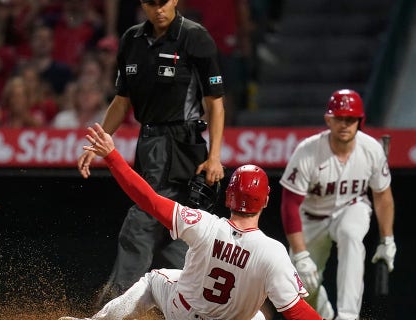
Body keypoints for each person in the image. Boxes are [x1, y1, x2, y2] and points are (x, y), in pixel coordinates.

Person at [59, 124, 322, 320]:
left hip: (184, 313)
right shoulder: (273, 252)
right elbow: (297, 312)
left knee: (154, 279)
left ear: (229, 198)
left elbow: (148, 199)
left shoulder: (204, 224)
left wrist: (113, 156)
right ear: (265, 201)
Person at [76, 0, 226, 307]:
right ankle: (189, 305)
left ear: (175, 1)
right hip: (149, 141)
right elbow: (121, 100)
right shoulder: (131, 39)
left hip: (180, 140)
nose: (158, 9)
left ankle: (115, 303)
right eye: (151, 2)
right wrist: (98, 142)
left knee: (141, 223)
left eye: (163, 1)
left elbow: (215, 102)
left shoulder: (194, 37)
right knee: (177, 234)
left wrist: (215, 157)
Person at [279, 89, 396, 320]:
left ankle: (347, 316)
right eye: (339, 118)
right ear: (328, 120)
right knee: (301, 289)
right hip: (311, 217)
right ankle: (326, 315)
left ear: (359, 121)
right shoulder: (308, 151)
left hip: (350, 207)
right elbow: (289, 204)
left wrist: (387, 239)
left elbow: (382, 196)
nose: (345, 124)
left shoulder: (371, 149)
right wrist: (301, 254)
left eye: (350, 119)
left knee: (351, 235)